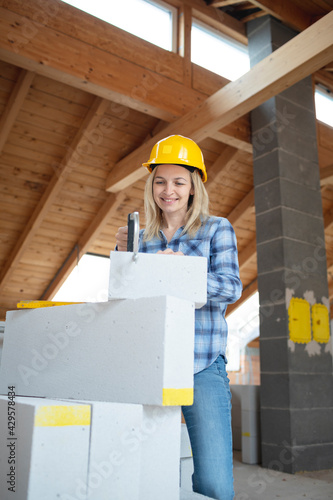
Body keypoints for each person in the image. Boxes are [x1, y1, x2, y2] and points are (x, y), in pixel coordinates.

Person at [116, 134, 242, 500]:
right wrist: (122, 258)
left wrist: (184, 271)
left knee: (214, 483)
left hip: (202, 365)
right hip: (151, 364)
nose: (167, 189)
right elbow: (126, 299)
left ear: (193, 187)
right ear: (150, 185)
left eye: (178, 181)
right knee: (147, 470)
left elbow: (231, 288)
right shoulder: (141, 237)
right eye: (159, 181)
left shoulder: (217, 229)